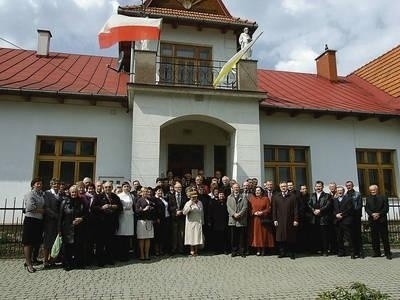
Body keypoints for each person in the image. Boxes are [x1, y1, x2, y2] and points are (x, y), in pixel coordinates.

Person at [91, 181, 123, 266]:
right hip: (101, 224)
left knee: (110, 243)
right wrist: (102, 208)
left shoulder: (115, 196)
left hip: (112, 224)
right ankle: (100, 261)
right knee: (100, 244)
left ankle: (109, 259)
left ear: (112, 188)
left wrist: (113, 206)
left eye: (109, 187)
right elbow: (93, 208)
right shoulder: (98, 196)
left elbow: (120, 208)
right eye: (106, 187)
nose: (108, 189)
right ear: (103, 188)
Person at [58, 185, 88, 271]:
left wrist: (81, 219)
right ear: (69, 193)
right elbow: (60, 217)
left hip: (79, 228)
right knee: (67, 247)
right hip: (67, 229)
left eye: (75, 192)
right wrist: (59, 230)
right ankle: (67, 264)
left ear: (78, 192)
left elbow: (87, 214)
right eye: (72, 192)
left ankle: (78, 263)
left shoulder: (82, 202)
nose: (74, 193)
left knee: (78, 247)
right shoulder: (64, 202)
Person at [22, 177, 45, 273]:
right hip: (30, 220)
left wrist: (40, 209)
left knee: (36, 241)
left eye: (40, 183)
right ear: (33, 185)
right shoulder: (30, 194)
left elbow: (41, 204)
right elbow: (30, 207)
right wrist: (42, 210)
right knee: (28, 242)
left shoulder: (41, 194)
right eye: (37, 183)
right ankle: (29, 264)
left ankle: (33, 259)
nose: (39, 185)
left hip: (38, 220)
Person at [272, 181, 299, 259]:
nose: (283, 188)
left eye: (284, 186)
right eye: (282, 186)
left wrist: (296, 220)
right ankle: (282, 252)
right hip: (279, 220)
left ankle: (292, 253)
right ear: (280, 187)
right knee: (280, 237)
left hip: (290, 220)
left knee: (291, 237)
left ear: (287, 187)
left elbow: (296, 209)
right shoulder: (276, 196)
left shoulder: (293, 196)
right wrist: (275, 220)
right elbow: (274, 209)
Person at [365, 185, 392, 260]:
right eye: (371, 190)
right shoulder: (368, 198)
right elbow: (367, 208)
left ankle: (388, 253)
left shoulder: (383, 197)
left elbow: (386, 208)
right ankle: (377, 253)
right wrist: (372, 214)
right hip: (372, 220)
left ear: (377, 189)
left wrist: (378, 214)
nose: (372, 191)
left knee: (384, 237)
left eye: (374, 190)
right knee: (374, 238)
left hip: (382, 220)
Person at [248, 186, 274, 256]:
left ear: (262, 191)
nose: (257, 192)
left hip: (263, 219)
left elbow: (268, 209)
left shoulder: (266, 199)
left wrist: (262, 212)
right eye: (256, 191)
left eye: (259, 190)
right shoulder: (252, 199)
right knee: (256, 235)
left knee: (263, 234)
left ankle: (263, 249)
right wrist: (254, 212)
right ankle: (258, 249)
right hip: (255, 220)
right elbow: (249, 208)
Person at [43, 178, 62, 268]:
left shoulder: (60, 194)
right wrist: (55, 215)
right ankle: (45, 260)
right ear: (51, 184)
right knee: (48, 241)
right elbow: (46, 207)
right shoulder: (47, 193)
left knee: (55, 241)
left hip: (58, 222)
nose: (56, 185)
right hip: (50, 221)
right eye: (54, 184)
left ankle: (52, 260)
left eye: (58, 184)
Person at [308, 180, 332, 255]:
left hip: (323, 218)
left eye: (319, 186)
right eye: (317, 186)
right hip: (314, 218)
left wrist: (320, 210)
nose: (318, 188)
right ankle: (317, 250)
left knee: (324, 236)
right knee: (315, 235)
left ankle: (325, 251)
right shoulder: (311, 195)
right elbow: (309, 204)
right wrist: (313, 210)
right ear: (315, 187)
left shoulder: (327, 195)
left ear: (322, 187)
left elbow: (328, 205)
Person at [332, 186, 355, 258]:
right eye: (338, 190)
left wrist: (341, 215)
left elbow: (350, 209)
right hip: (338, 221)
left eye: (341, 190)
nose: (339, 192)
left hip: (346, 221)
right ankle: (341, 252)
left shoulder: (349, 199)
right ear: (336, 191)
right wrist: (336, 215)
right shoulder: (334, 200)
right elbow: (332, 210)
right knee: (339, 238)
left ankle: (352, 253)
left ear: (343, 191)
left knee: (349, 237)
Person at [227, 183, 248, 257]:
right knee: (233, 237)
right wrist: (234, 214)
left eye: (237, 187)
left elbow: (245, 207)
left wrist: (239, 214)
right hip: (233, 220)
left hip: (241, 220)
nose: (236, 189)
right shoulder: (229, 197)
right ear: (232, 188)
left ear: (239, 188)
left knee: (241, 237)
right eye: (234, 187)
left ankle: (241, 251)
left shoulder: (244, 196)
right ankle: (234, 251)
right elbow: (228, 207)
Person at [115, 182, 135, 261]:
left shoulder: (132, 195)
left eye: (127, 186)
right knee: (122, 236)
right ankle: (121, 255)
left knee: (127, 237)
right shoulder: (119, 196)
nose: (126, 188)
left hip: (130, 217)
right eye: (125, 186)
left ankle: (126, 255)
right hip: (122, 216)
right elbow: (118, 206)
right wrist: (124, 208)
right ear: (122, 188)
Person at [135, 187, 156, 260]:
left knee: (148, 238)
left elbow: (154, 209)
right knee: (142, 238)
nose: (146, 193)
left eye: (147, 191)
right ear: (141, 192)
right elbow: (137, 211)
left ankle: (147, 255)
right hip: (142, 221)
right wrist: (144, 210)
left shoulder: (150, 200)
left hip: (149, 221)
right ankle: (142, 255)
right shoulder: (139, 200)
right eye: (144, 191)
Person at [168, 182, 188, 255]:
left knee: (181, 234)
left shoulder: (184, 196)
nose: (179, 189)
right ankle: (174, 249)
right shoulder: (171, 196)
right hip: (174, 218)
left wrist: (181, 211)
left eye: (180, 187)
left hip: (182, 217)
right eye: (178, 187)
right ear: (174, 188)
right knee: (174, 234)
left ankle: (181, 249)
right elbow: (170, 206)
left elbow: (186, 206)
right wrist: (175, 210)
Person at [345, 180, 364, 258]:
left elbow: (359, 205)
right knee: (351, 235)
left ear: (352, 185)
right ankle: (353, 252)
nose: (348, 186)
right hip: (348, 218)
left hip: (356, 217)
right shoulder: (345, 195)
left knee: (358, 235)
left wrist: (354, 213)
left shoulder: (357, 194)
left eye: (350, 185)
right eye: (347, 185)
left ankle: (360, 252)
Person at [183, 190, 204, 256]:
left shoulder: (200, 202)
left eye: (195, 197)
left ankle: (196, 250)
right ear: (190, 197)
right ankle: (191, 250)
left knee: (197, 235)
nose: (194, 198)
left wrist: (202, 221)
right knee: (191, 236)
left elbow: (201, 212)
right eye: (193, 197)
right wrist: (190, 205)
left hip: (198, 221)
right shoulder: (188, 203)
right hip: (190, 222)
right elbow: (184, 212)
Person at [208, 190, 229, 254]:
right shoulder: (213, 202)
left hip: (225, 222)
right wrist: (210, 220)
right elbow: (210, 212)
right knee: (217, 237)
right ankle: (217, 250)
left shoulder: (227, 202)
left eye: (222, 194)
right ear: (218, 195)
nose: (221, 196)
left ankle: (225, 250)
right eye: (220, 194)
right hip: (216, 222)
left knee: (225, 237)